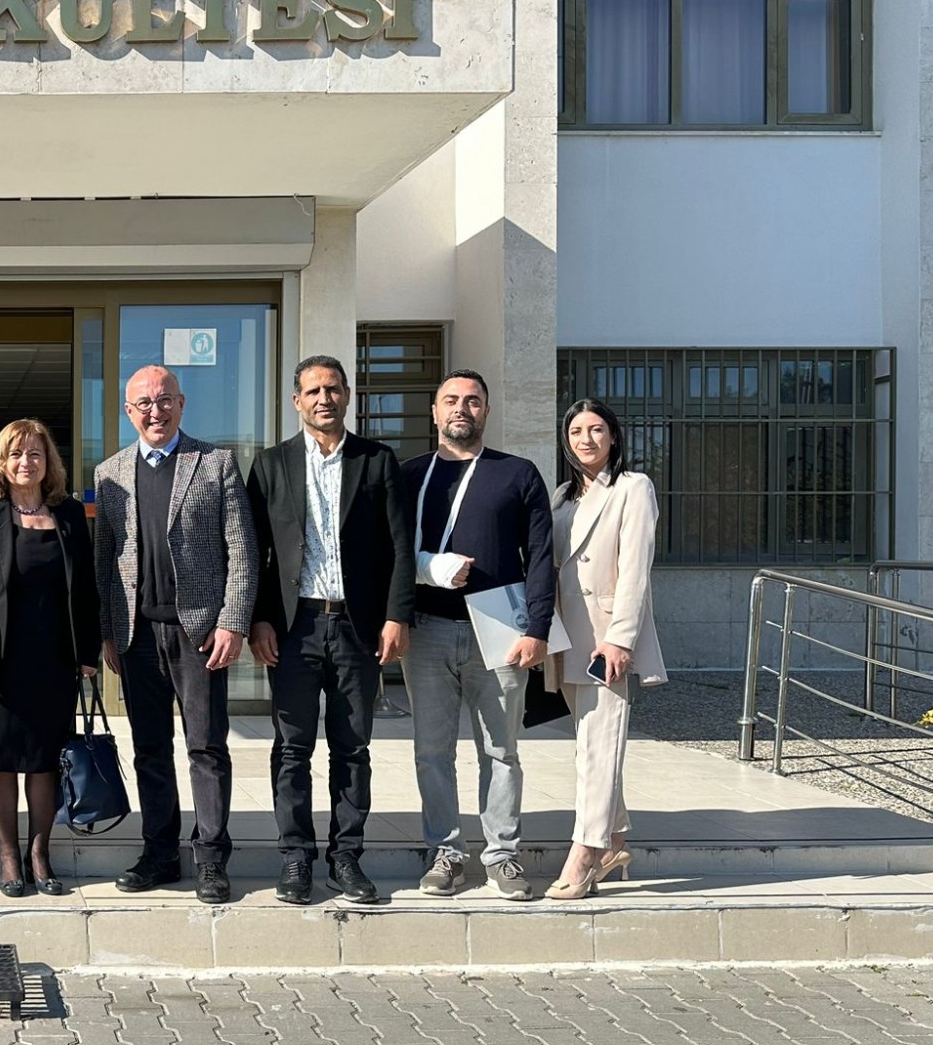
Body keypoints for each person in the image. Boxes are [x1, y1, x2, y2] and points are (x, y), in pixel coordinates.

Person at [246, 355, 415, 907]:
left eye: (334, 389)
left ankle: (346, 856)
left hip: (356, 627)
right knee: (292, 747)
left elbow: (399, 546)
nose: (325, 398)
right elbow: (254, 552)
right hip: (292, 627)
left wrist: (397, 615)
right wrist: (258, 619)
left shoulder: (377, 461)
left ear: (347, 395)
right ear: (297, 400)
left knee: (353, 747)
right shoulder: (270, 465)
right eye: (314, 390)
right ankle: (295, 856)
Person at [93, 365, 257, 905]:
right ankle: (159, 853)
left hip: (200, 633)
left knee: (206, 747)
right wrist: (108, 632)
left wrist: (233, 621)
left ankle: (211, 859)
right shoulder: (110, 473)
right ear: (129, 412)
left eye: (164, 399)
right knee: (149, 750)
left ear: (181, 404)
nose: (155, 410)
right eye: (143, 403)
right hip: (137, 634)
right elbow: (104, 561)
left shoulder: (215, 463)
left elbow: (242, 549)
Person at [400, 369, 555, 901]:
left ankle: (502, 855)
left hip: (501, 631)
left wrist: (537, 628)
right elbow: (388, 552)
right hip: (426, 630)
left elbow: (541, 556)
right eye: (451, 400)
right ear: (435, 412)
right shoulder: (410, 475)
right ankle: (445, 851)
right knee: (431, 750)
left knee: (501, 750)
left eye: (472, 401)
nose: (461, 409)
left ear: (486, 410)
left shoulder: (517, 474)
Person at [0, 419, 100, 897]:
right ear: (1, 462)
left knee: (44, 762)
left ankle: (39, 852)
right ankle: (8, 855)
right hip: (0, 662)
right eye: (16, 454)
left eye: (35, 453)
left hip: (54, 659)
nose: (26, 462)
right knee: (0, 761)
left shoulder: (69, 514)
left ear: (49, 462)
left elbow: (85, 588)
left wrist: (86, 652)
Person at [545, 398, 667, 900]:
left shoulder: (633, 487)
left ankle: (586, 851)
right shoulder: (562, 497)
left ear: (613, 436)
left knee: (599, 746)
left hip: (605, 637)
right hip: (565, 635)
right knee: (590, 744)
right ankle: (615, 841)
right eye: (576, 431)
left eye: (596, 429)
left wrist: (620, 638)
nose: (586, 439)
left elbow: (636, 570)